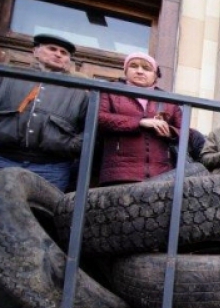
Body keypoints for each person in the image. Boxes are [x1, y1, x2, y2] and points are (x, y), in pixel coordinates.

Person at [0, 34, 89, 191]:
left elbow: (88, 128)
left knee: (45, 214)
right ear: (35, 51)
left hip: (52, 167)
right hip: (4, 158)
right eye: (52, 49)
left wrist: (71, 146)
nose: (58, 54)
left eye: (63, 53)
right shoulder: (8, 77)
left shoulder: (80, 92)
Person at [97, 52, 183, 185]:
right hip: (120, 173)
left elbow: (185, 132)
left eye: (146, 68)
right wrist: (140, 122)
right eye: (134, 66)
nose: (139, 71)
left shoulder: (169, 100)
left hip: (162, 175)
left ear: (155, 75)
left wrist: (170, 131)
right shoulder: (110, 91)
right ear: (125, 71)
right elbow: (99, 119)